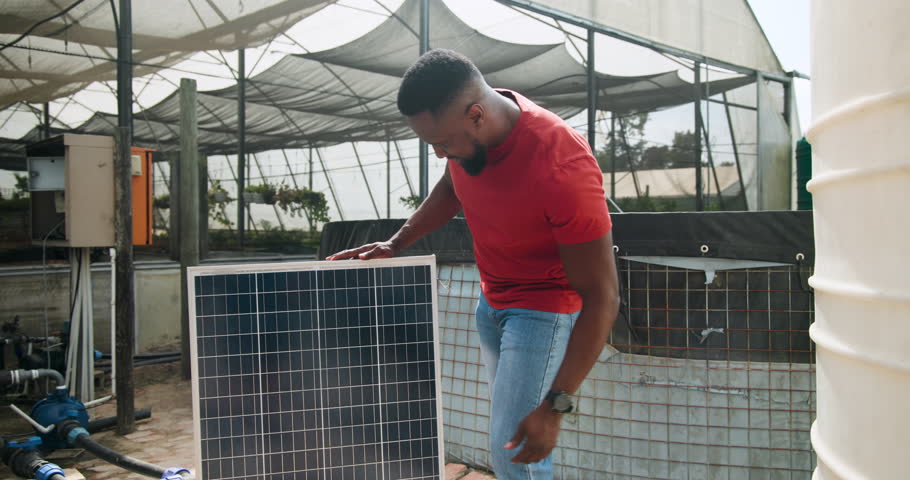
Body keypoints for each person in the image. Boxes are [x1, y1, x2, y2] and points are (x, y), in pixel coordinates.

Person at [327, 49, 619, 480]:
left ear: (477, 115)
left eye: (443, 143)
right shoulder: (469, 134)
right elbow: (451, 187)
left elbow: (602, 296)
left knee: (514, 453)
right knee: (518, 445)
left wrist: (557, 405)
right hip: (491, 305)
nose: (440, 154)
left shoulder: (561, 164)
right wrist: (395, 243)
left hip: (542, 311)